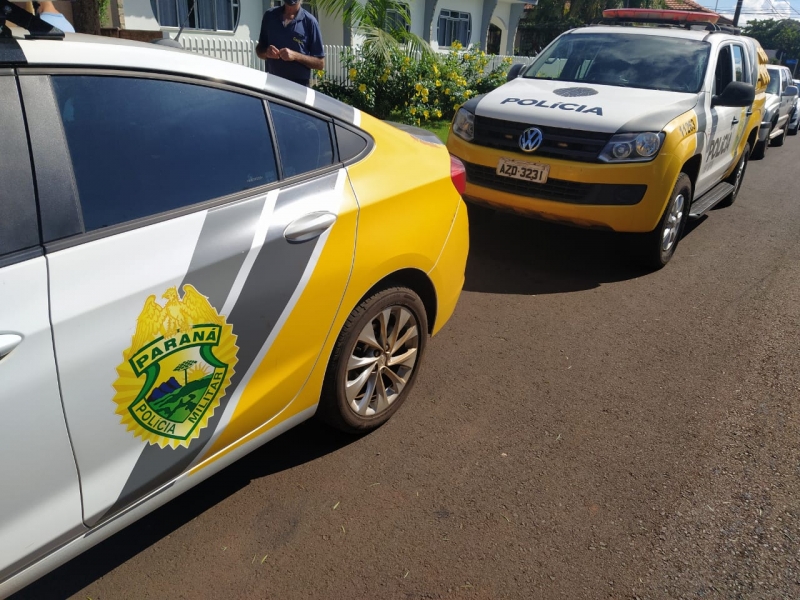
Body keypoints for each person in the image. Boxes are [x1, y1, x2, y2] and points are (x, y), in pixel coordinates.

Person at [256, 0, 325, 87]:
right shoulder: (270, 16)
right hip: (273, 83)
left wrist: (295, 56)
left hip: (298, 87)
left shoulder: (310, 22)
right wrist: (267, 52)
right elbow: (259, 50)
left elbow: (320, 63)